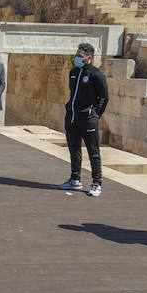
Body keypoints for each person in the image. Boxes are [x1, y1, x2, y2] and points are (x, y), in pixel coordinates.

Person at [57, 43, 108, 197]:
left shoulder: (96, 74)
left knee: (93, 151)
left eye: (80, 56)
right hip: (72, 118)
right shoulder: (73, 72)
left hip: (88, 119)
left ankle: (97, 182)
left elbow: (104, 97)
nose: (77, 58)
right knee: (74, 149)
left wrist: (95, 114)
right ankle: (75, 179)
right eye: (77, 55)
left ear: (89, 58)